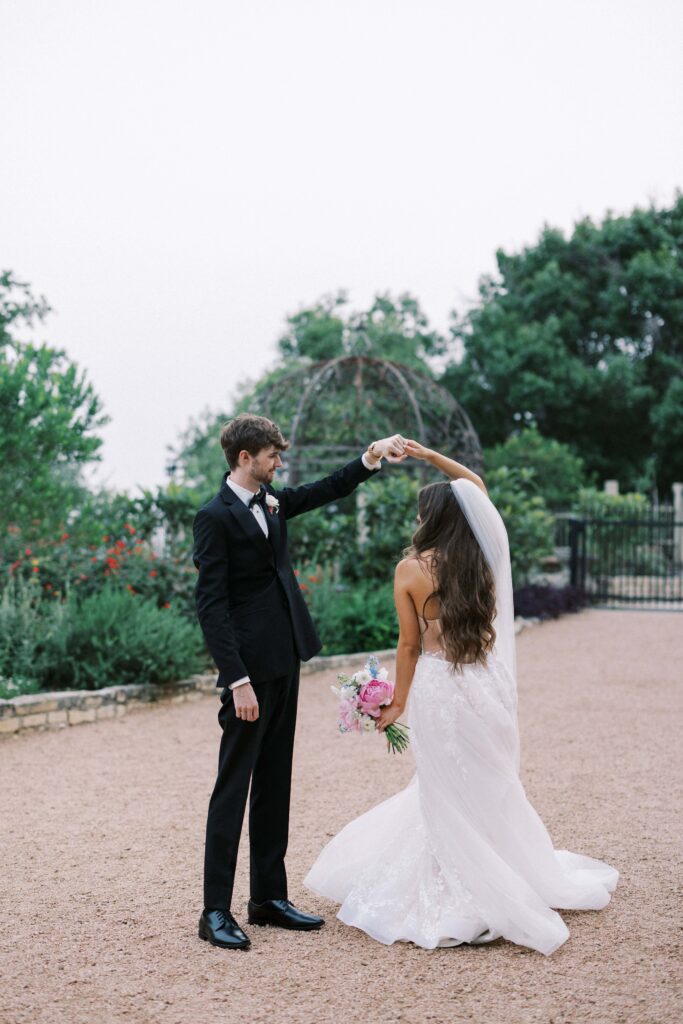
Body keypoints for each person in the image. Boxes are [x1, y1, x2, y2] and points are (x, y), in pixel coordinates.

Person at [305, 440, 618, 955]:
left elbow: (408, 645)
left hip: (438, 688)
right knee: (492, 783)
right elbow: (475, 488)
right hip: (484, 684)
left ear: (431, 518)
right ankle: (508, 870)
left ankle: (468, 884)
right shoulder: (483, 555)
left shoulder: (411, 570)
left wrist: (396, 703)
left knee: (443, 789)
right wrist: (429, 455)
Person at [193, 413, 407, 950]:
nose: (279, 463)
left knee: (275, 782)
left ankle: (267, 898)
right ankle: (214, 910)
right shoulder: (214, 517)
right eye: (272, 455)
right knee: (232, 789)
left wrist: (371, 457)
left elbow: (324, 490)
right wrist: (236, 679)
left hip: (285, 659)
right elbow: (211, 606)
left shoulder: (272, 502)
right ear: (245, 457)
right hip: (248, 674)